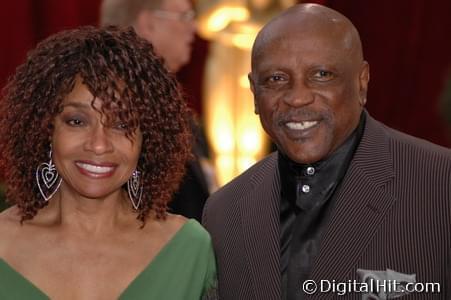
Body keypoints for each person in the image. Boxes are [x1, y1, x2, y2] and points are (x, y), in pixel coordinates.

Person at [203, 3, 451, 300]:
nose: (297, 97)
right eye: (276, 79)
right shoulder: (224, 212)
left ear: (362, 82)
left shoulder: (440, 185)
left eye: (321, 74)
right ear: (254, 92)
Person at [0, 26, 216, 299]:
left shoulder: (187, 250)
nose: (98, 144)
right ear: (45, 128)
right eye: (77, 121)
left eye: (122, 123)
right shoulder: (2, 246)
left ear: (146, 138)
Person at [101, 0, 216, 222]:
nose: (194, 28)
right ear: (148, 23)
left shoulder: (169, 105)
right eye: (185, 17)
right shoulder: (114, 110)